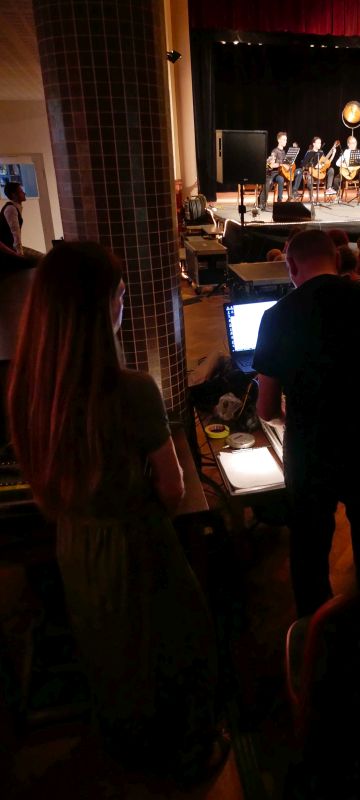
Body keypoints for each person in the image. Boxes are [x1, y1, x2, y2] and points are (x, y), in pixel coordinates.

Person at [7, 241, 228, 783]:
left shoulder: (26, 388)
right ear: (101, 307)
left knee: (110, 651)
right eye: (121, 294)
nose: (124, 303)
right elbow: (173, 489)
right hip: (137, 546)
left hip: (77, 545)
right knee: (175, 647)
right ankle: (184, 755)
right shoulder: (132, 391)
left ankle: (128, 750)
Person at [253, 229, 360, 616]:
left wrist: (291, 411)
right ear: (336, 259)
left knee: (310, 553)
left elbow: (266, 410)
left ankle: (315, 632)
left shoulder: (277, 316)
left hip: (312, 453)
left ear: (291, 265)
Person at [259, 131, 289, 209]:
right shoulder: (275, 151)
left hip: (279, 173)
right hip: (272, 173)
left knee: (282, 179)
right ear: (279, 140)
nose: (285, 141)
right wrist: (282, 165)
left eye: (286, 140)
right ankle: (262, 202)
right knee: (269, 182)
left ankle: (279, 201)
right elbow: (271, 165)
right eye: (284, 139)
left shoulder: (284, 152)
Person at [0, 181, 26, 256]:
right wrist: (19, 253)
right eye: (21, 191)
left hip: (9, 247)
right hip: (7, 249)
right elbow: (15, 232)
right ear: (14, 195)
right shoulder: (11, 209)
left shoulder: (14, 207)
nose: (24, 193)